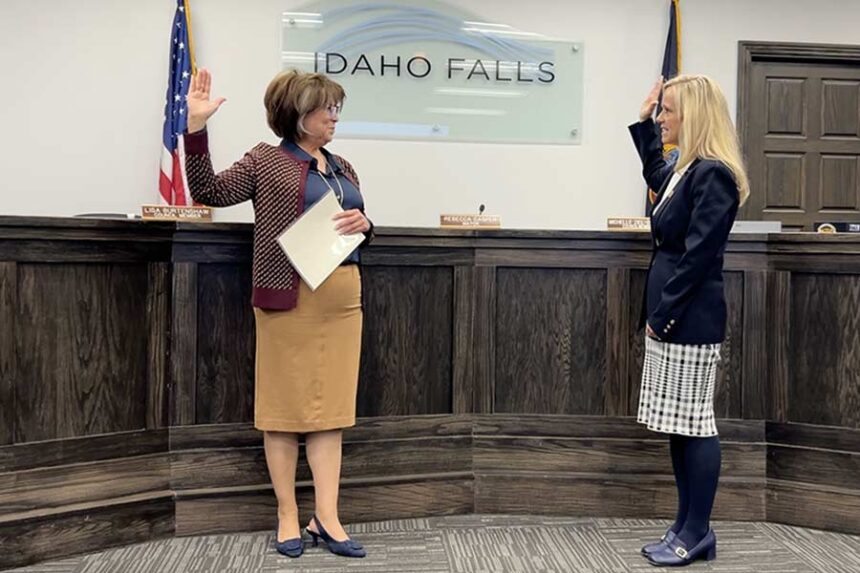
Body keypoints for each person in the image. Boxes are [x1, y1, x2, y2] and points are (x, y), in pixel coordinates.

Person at [184, 68, 372, 559]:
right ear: (297, 113)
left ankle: (326, 516)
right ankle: (288, 513)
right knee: (284, 412)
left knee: (331, 413)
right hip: (289, 298)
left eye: (337, 108)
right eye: (326, 108)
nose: (334, 117)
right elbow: (209, 190)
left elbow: (353, 224)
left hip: (342, 298)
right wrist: (196, 127)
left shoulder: (343, 166)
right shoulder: (265, 160)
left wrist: (366, 224)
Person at [629, 75, 749, 567]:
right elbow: (657, 174)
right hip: (673, 317)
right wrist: (642, 123)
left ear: (694, 115)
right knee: (677, 426)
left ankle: (697, 531)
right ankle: (684, 525)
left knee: (695, 425)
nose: (662, 119)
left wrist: (664, 315)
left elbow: (698, 257)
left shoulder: (714, 174)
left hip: (688, 318)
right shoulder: (686, 169)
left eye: (668, 111)